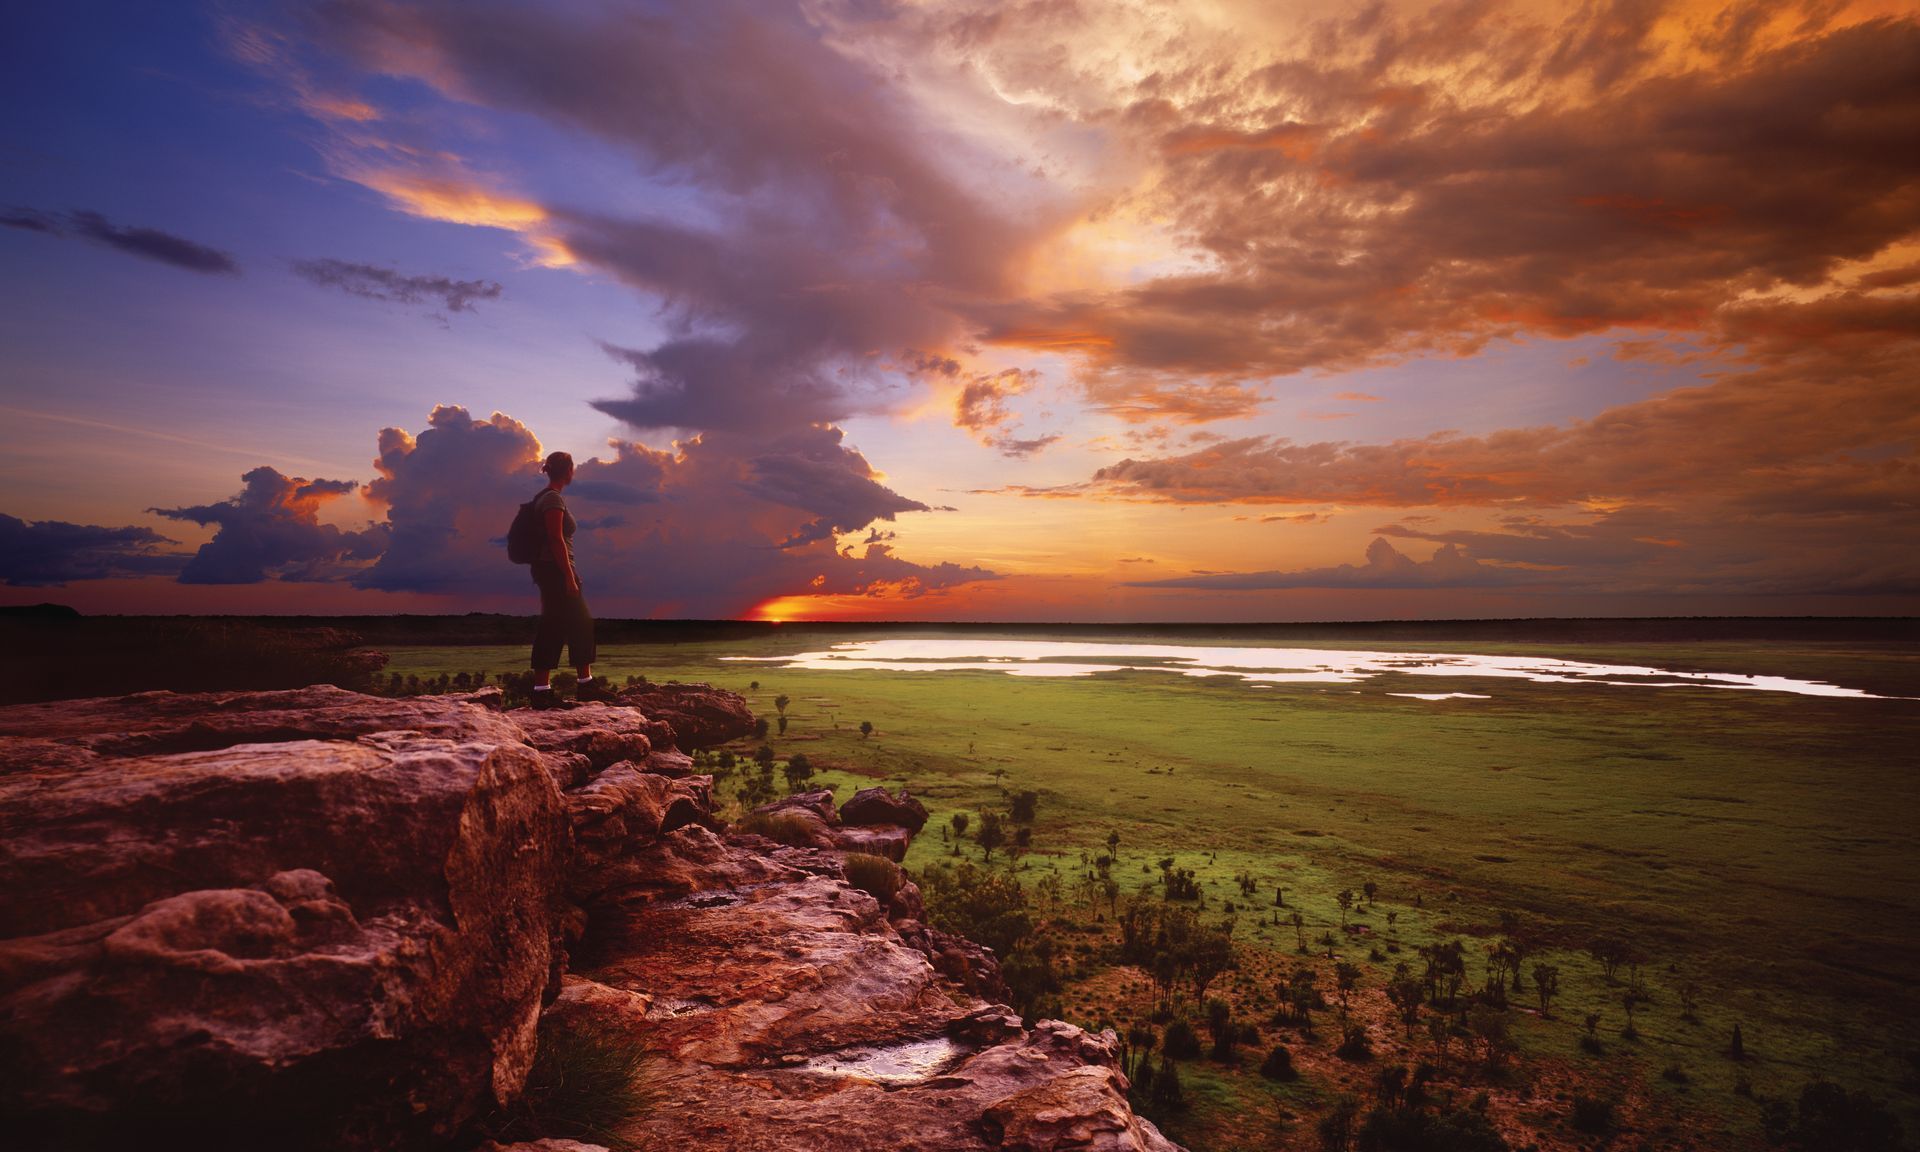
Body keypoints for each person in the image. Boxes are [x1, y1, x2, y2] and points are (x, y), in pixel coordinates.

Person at [527, 451, 615, 708]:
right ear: (568, 471)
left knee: (576, 623)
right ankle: (544, 691)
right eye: (572, 468)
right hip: (555, 570)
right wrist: (568, 575)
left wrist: (570, 572)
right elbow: (555, 539)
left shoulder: (547, 497)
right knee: (559, 625)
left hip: (555, 569)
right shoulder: (552, 499)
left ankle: (582, 685)